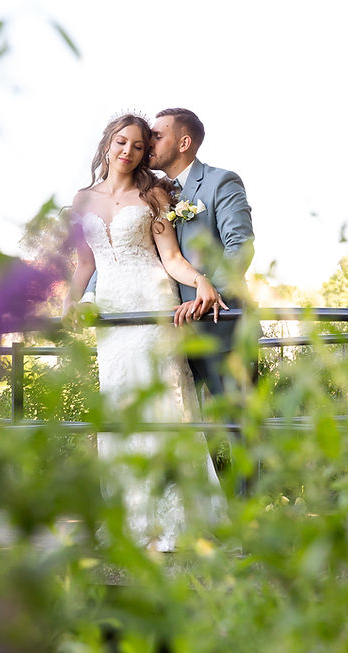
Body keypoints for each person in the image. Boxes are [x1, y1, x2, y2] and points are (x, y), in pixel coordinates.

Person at [64, 113, 226, 552]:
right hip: (112, 310)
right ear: (107, 144)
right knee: (120, 405)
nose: (128, 151)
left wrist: (201, 281)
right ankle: (132, 520)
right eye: (122, 142)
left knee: (162, 402)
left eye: (138, 146)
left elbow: (171, 257)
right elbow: (85, 264)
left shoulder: (152, 193)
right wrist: (69, 303)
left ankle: (178, 520)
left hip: (152, 302)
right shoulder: (82, 200)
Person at [148, 108, 256, 397]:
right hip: (171, 335)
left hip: (223, 328)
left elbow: (240, 244)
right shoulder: (150, 194)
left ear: (184, 143)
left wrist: (207, 294)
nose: (148, 143)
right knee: (185, 423)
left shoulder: (221, 182)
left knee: (238, 420)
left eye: (157, 136)